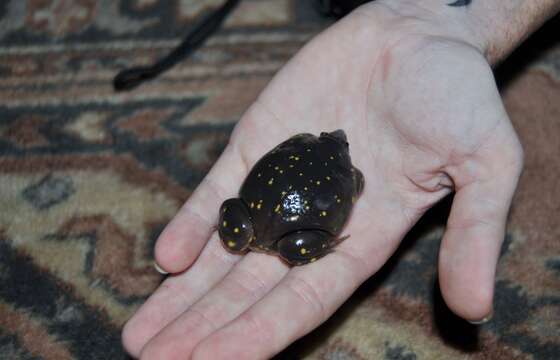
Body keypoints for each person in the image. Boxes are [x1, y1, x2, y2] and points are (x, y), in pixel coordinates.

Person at [122, 0, 560, 358]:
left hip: (255, 223)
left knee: (248, 223)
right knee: (285, 241)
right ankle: (309, 243)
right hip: (285, 235)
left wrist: (438, 20)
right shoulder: (348, 174)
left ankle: (270, 240)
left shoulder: (327, 162)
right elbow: (353, 183)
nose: (338, 137)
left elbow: (314, 165)